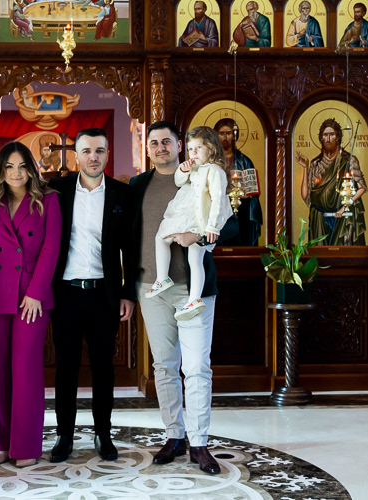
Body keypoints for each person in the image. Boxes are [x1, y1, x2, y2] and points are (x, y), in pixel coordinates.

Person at [129, 121, 238, 475]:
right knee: (164, 366)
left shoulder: (204, 173)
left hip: (194, 289)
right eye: (154, 142)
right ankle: (174, 436)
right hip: (152, 289)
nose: (160, 147)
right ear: (147, 148)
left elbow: (233, 224)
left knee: (196, 367)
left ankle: (200, 443)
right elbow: (126, 236)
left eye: (167, 141)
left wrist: (201, 237)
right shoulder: (137, 185)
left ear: (179, 145)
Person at [48, 128, 135, 463]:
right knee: (65, 367)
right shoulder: (57, 191)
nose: (93, 157)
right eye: (86, 151)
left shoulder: (121, 194)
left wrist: (127, 293)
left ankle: (103, 434)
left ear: (107, 154)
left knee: (103, 368)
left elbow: (130, 247)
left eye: (99, 150)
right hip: (66, 293)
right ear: (76, 156)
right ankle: (64, 436)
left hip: (104, 295)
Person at [0, 142, 61, 467]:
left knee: (26, 369)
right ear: (0, 170)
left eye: (22, 166)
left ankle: (25, 446)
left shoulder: (48, 200)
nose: (16, 173)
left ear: (31, 169)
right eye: (9, 167)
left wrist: (36, 292)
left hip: (32, 296)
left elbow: (51, 247)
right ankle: (0, 442)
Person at [145, 126, 233, 322]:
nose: (193, 153)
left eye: (198, 148)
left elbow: (218, 200)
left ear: (211, 148)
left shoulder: (215, 170)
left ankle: (190, 296)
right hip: (188, 215)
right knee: (165, 239)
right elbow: (179, 181)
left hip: (200, 218)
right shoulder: (196, 167)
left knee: (193, 258)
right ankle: (167, 281)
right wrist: (184, 171)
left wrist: (212, 227)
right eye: (191, 149)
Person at [297, 118, 366, 245]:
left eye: (332, 134)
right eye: (325, 135)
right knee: (320, 255)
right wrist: (306, 167)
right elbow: (306, 196)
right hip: (319, 218)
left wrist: (344, 208)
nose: (328, 138)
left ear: (337, 137)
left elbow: (362, 188)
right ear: (321, 138)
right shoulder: (316, 164)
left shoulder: (349, 160)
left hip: (342, 217)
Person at [213, 118, 263, 246]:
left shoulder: (244, 161)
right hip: (218, 208)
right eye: (221, 133)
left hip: (241, 211)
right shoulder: (211, 161)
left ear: (234, 135)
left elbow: (253, 191)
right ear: (216, 136)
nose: (225, 137)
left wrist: (247, 194)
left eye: (228, 133)